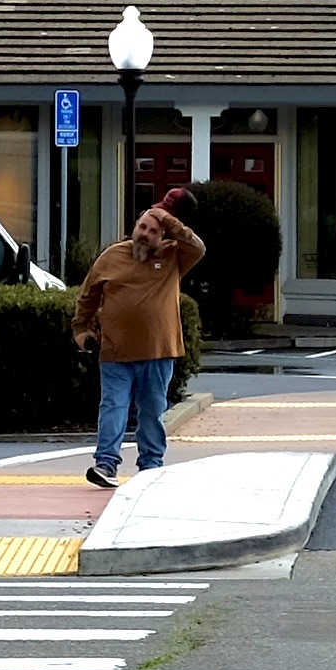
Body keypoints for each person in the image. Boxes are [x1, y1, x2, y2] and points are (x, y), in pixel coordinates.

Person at [74, 187, 203, 489]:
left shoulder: (175, 257)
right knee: (113, 407)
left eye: (153, 230)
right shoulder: (112, 256)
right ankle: (106, 464)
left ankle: (151, 466)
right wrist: (81, 328)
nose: (144, 234)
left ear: (164, 235)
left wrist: (168, 221)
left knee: (152, 413)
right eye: (142, 226)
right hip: (116, 351)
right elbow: (88, 295)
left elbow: (198, 247)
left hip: (158, 352)